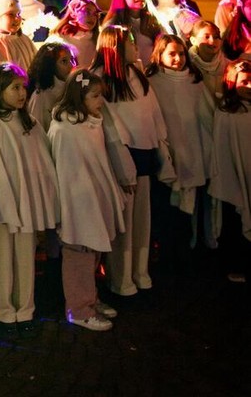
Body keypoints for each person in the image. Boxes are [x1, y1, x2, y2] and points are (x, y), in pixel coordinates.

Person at [0, 63, 59, 335]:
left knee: (25, 256)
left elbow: (40, 159)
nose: (22, 93)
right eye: (15, 87)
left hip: (25, 201)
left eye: (23, 87)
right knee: (0, 257)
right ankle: (2, 310)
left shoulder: (29, 123)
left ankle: (25, 308)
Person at [91, 25, 172, 297]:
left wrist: (161, 144)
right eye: (130, 41)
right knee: (123, 221)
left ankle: (140, 271)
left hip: (146, 153)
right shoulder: (101, 78)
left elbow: (153, 111)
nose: (136, 45)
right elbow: (107, 124)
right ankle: (120, 277)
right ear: (115, 45)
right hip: (121, 157)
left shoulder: (136, 73)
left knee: (142, 219)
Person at [48, 68, 132, 331]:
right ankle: (78, 308)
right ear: (79, 97)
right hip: (78, 202)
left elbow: (98, 163)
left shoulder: (90, 124)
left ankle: (90, 298)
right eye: (95, 96)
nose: (100, 102)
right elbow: (65, 171)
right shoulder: (65, 130)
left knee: (92, 251)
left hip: (93, 198)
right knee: (79, 255)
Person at [145, 34, 212, 261]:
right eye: (171, 54)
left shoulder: (194, 81)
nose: (178, 59)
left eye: (181, 53)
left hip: (192, 151)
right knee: (166, 207)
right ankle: (166, 251)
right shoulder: (153, 83)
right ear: (160, 55)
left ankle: (187, 251)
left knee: (189, 208)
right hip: (167, 152)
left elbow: (204, 118)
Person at [209, 60, 251, 287]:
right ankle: (235, 264)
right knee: (234, 221)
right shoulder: (227, 112)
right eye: (244, 81)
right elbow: (223, 148)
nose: (249, 86)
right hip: (233, 176)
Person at [102, 0, 162, 69]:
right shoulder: (117, 22)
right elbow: (105, 32)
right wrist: (115, 5)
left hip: (151, 73)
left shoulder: (152, 20)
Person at [27, 42, 76, 132]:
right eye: (64, 61)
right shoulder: (40, 96)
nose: (71, 65)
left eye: (72, 60)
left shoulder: (72, 86)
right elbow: (36, 130)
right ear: (51, 65)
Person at [48, 0, 101, 67]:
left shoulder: (98, 39)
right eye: (87, 12)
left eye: (95, 14)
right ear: (73, 14)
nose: (92, 17)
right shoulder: (59, 39)